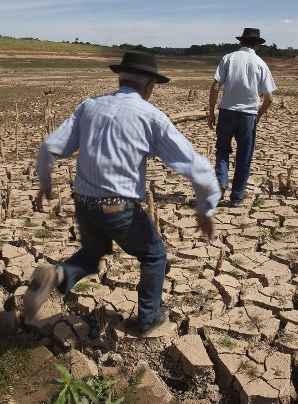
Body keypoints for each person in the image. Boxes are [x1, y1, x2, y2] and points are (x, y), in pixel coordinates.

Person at [25, 51, 221, 336]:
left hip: (83, 202)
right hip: (117, 208)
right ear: (149, 86)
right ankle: (148, 318)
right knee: (154, 255)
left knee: (93, 253)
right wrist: (206, 209)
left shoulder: (89, 106)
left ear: (122, 79)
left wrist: (45, 183)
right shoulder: (150, 116)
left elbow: (49, 146)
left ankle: (57, 275)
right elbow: (195, 166)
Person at [207, 27, 276, 207]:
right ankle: (236, 197)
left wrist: (211, 111)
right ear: (257, 45)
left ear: (241, 42)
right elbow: (269, 98)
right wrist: (259, 114)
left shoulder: (228, 58)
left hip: (227, 112)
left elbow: (215, 86)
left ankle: (222, 181)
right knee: (244, 156)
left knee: (222, 149)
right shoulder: (261, 63)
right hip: (248, 115)